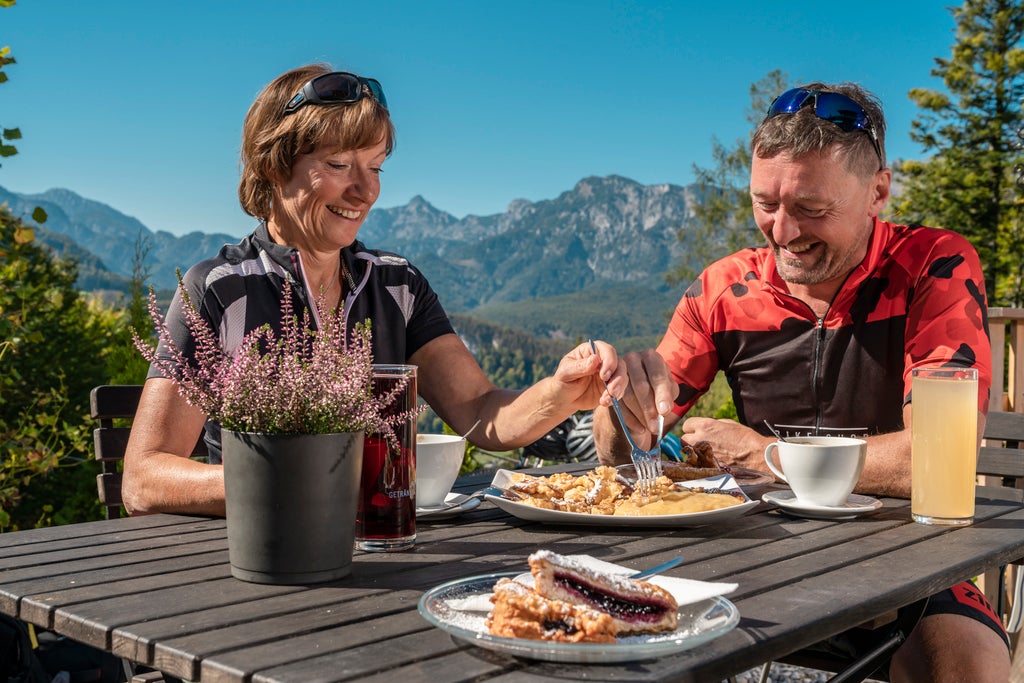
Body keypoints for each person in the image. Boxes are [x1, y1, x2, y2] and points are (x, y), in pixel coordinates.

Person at [594, 82, 1010, 682]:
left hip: (905, 562)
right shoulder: (723, 288)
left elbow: (936, 458)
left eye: (812, 210)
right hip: (751, 555)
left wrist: (769, 455)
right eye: (766, 204)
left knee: (969, 664)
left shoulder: (932, 264)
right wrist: (617, 404)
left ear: (878, 192)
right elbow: (627, 445)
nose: (783, 232)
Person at [122, 63, 625, 517]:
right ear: (275, 166)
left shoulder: (396, 284)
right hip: (266, 554)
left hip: (391, 550)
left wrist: (560, 393)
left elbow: (479, 412)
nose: (366, 191)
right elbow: (144, 479)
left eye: (376, 166)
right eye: (340, 165)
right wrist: (294, 480)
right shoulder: (220, 289)